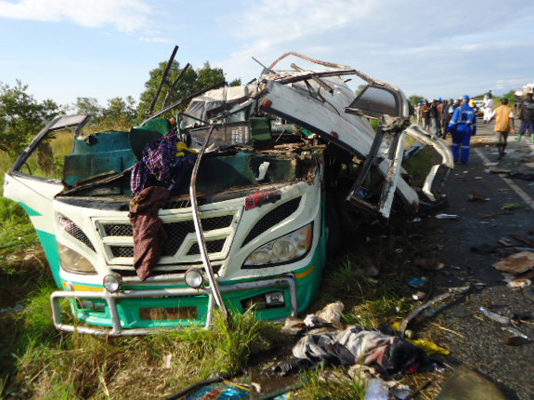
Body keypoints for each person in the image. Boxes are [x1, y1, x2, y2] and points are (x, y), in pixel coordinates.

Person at [447, 95, 477, 164]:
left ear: (463, 100)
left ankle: (455, 158)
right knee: (465, 146)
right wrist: (474, 131)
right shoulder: (472, 110)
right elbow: (474, 123)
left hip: (458, 129)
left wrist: (449, 129)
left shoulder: (459, 109)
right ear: (468, 101)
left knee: (456, 144)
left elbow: (453, 120)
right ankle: (464, 160)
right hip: (467, 129)